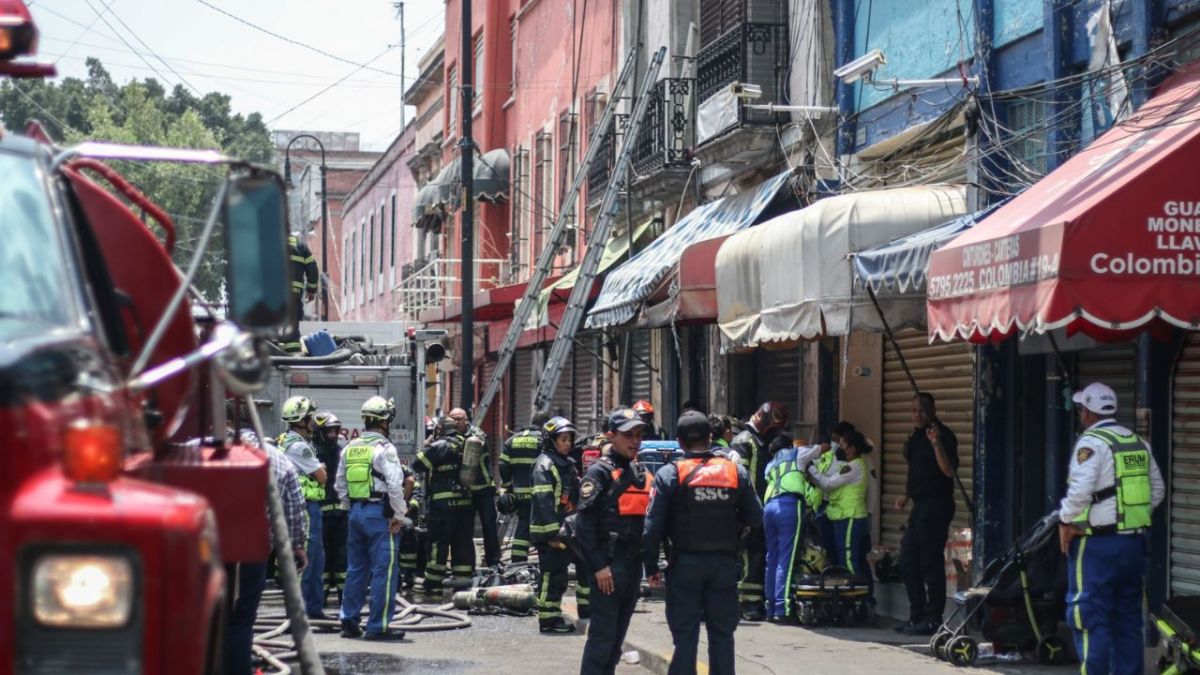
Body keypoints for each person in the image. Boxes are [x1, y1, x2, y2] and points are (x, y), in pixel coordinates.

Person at [643, 411, 763, 675]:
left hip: (684, 564)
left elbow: (652, 527)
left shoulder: (669, 474)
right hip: (723, 566)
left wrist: (651, 567)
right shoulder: (735, 472)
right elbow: (755, 516)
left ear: (679, 442)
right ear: (710, 438)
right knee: (722, 635)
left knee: (685, 635)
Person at [1058, 382, 1165, 674]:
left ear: (1088, 412)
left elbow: (1080, 492)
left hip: (1097, 548)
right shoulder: (1137, 442)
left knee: (1089, 616)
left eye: (1081, 409)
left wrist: (1066, 521)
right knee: (1128, 620)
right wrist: (1126, 519)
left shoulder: (1091, 442)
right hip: (1133, 546)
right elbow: (1156, 490)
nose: (1080, 414)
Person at [223, 405, 307, 675]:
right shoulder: (278, 459)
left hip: (207, 554)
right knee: (242, 619)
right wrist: (297, 545)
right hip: (253, 552)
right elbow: (295, 506)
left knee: (204, 615)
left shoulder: (198, 450)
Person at [577, 408, 653, 675]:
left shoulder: (637, 470)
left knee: (616, 642)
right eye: (628, 435)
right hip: (608, 566)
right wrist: (598, 566)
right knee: (602, 640)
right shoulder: (598, 473)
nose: (635, 440)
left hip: (632, 567)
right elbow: (583, 525)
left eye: (639, 434)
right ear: (611, 436)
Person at [335, 396, 412, 640]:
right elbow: (395, 484)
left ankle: (349, 620)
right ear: (385, 421)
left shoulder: (350, 447)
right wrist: (399, 515)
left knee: (356, 568)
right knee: (384, 570)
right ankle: (378, 626)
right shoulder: (384, 449)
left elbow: (340, 483)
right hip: (379, 515)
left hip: (356, 513)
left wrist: (351, 506)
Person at [893, 392, 959, 635]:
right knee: (909, 560)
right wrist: (907, 495)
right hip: (919, 506)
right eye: (913, 410)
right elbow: (916, 472)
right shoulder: (914, 438)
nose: (916, 415)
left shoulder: (943, 436)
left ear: (932, 411)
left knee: (930, 563)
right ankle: (916, 615)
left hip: (937, 505)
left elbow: (948, 471)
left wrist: (936, 444)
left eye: (921, 410)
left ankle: (934, 618)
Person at [730, 400, 789, 621]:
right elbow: (739, 477)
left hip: (768, 507)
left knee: (763, 554)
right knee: (751, 555)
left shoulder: (764, 441)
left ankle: (761, 598)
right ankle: (749, 602)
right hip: (752, 509)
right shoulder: (743, 441)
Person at [530, 416, 590, 632]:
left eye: (569, 439)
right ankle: (548, 619)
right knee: (554, 575)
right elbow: (544, 502)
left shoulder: (567, 464)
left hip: (569, 529)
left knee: (586, 566)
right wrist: (552, 533)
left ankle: (588, 610)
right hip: (551, 531)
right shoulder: (544, 465)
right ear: (551, 441)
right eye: (563, 439)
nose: (568, 444)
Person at [808, 429, 875, 608]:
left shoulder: (855, 466)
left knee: (849, 559)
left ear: (853, 448)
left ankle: (857, 599)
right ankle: (854, 598)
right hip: (842, 518)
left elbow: (828, 483)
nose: (842, 449)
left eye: (845, 446)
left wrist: (810, 468)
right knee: (848, 557)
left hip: (851, 517)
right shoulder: (849, 465)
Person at [761, 434, 823, 622]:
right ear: (789, 445)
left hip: (769, 508)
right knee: (785, 560)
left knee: (771, 558)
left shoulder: (769, 465)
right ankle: (783, 609)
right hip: (788, 505)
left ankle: (770, 607)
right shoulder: (797, 453)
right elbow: (823, 448)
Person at [278, 395, 329, 619]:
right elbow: (321, 476)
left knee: (317, 561)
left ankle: (314, 609)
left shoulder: (286, 441)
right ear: (301, 421)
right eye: (309, 418)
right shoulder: (299, 447)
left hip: (306, 507)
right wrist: (322, 469)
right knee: (308, 561)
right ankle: (301, 611)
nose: (312, 422)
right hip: (306, 508)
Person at [415, 415, 475, 590]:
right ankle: (462, 581)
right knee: (462, 542)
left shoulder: (439, 445)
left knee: (438, 542)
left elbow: (418, 464)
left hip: (443, 505)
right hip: (465, 504)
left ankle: (433, 581)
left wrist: (429, 444)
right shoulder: (468, 444)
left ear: (440, 429)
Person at [450, 407, 502, 570]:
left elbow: (478, 442)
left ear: (467, 419)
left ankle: (493, 560)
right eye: (453, 419)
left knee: (489, 525)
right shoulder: (449, 436)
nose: (457, 422)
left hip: (484, 488)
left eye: (460, 418)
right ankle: (466, 563)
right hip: (465, 490)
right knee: (465, 528)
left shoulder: (476, 434)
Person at [500, 410, 552, 563]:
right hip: (540, 494)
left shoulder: (511, 440)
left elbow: (503, 465)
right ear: (545, 425)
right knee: (542, 527)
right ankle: (545, 563)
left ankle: (518, 562)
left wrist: (508, 487)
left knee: (522, 528)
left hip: (520, 495)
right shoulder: (544, 440)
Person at [313, 411, 348, 602]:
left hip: (341, 514)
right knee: (323, 556)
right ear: (319, 432)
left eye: (335, 431)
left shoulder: (342, 451)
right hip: (320, 513)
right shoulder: (310, 453)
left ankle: (344, 595)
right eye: (329, 432)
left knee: (342, 554)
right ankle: (322, 594)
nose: (333, 435)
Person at [814, 421, 857, 562]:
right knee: (829, 547)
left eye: (837, 440)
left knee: (844, 551)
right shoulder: (830, 455)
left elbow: (828, 483)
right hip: (826, 506)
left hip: (845, 511)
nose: (834, 443)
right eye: (832, 439)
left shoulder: (854, 462)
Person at [282, 233, 320, 353]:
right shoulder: (300, 246)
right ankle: (293, 356)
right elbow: (313, 267)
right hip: (293, 296)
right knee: (291, 328)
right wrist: (311, 290)